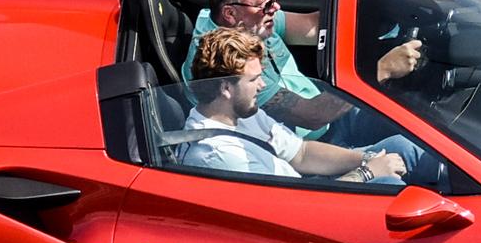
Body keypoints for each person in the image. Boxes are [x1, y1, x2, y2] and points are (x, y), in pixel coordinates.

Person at [197, 0, 424, 151]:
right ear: (230, 13)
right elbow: (312, 116)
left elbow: (316, 27)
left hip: (333, 120)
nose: (276, 8)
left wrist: (384, 6)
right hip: (311, 145)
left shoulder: (255, 23)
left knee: (418, 114)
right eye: (266, 4)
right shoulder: (226, 63)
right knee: (409, 149)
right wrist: (381, 70)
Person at [174, 29, 408, 183]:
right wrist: (368, 173)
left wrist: (366, 158)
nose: (262, 85)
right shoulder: (219, 157)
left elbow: (301, 153)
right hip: (302, 216)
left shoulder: (244, 115)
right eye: (254, 80)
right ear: (225, 88)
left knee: (401, 147)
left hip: (302, 185)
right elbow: (294, 212)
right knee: (386, 183)